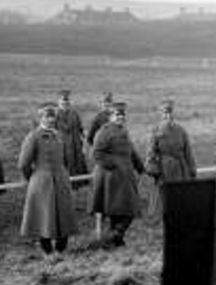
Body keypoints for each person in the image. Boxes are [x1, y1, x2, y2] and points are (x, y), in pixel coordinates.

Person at [18, 104, 78, 255]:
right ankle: (47, 251)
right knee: (43, 217)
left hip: (61, 180)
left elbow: (64, 159)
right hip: (42, 182)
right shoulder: (33, 136)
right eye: (47, 117)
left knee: (63, 214)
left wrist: (63, 174)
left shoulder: (58, 135)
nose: (51, 120)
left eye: (53, 117)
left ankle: (60, 248)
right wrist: (34, 178)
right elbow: (23, 164)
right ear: (40, 118)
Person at [90, 102, 145, 247]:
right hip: (112, 177)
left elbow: (131, 151)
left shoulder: (123, 130)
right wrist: (114, 164)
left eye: (122, 115)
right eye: (117, 115)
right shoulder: (104, 131)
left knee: (120, 210)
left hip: (124, 176)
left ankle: (115, 239)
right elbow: (96, 153)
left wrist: (140, 167)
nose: (120, 117)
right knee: (128, 209)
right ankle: (114, 236)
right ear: (110, 117)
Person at [145, 100, 197, 209]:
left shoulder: (181, 130)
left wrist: (192, 170)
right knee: (165, 201)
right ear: (161, 114)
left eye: (170, 113)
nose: (168, 116)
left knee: (181, 200)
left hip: (181, 170)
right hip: (164, 170)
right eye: (165, 113)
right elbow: (150, 154)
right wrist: (154, 171)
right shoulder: (156, 131)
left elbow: (188, 152)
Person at [55, 89, 89, 184]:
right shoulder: (56, 114)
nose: (65, 104)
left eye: (67, 102)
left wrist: (84, 137)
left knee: (78, 161)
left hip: (76, 142)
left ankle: (80, 182)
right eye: (63, 102)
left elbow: (80, 127)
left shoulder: (74, 113)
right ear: (59, 102)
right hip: (63, 143)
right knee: (65, 163)